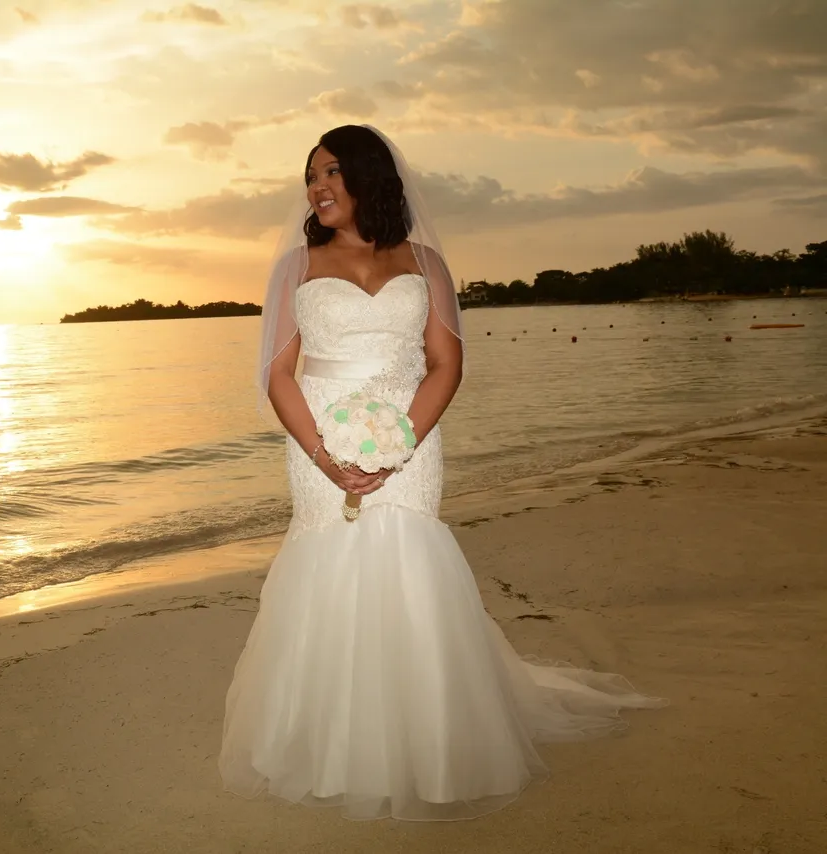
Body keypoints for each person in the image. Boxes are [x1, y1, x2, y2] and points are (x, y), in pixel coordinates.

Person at [219, 124, 666, 821]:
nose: (318, 187)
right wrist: (324, 456)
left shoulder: (423, 260)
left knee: (410, 562)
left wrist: (401, 443)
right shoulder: (295, 266)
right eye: (311, 176)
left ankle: (426, 740)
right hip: (319, 439)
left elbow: (446, 363)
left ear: (369, 175)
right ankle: (325, 740)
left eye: (332, 171)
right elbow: (277, 374)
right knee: (327, 562)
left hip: (410, 438)